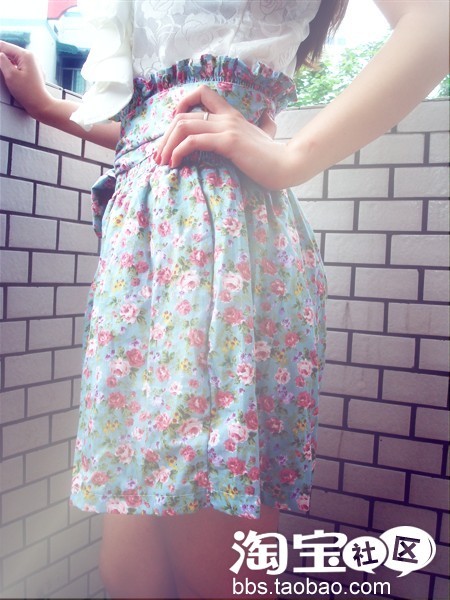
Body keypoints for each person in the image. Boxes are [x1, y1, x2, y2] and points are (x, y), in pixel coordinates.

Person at [0, 1, 447, 598]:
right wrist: (46, 106)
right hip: (142, 257)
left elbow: (436, 20)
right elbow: (151, 129)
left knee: (215, 558)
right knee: (131, 558)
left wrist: (294, 157)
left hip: (218, 247)